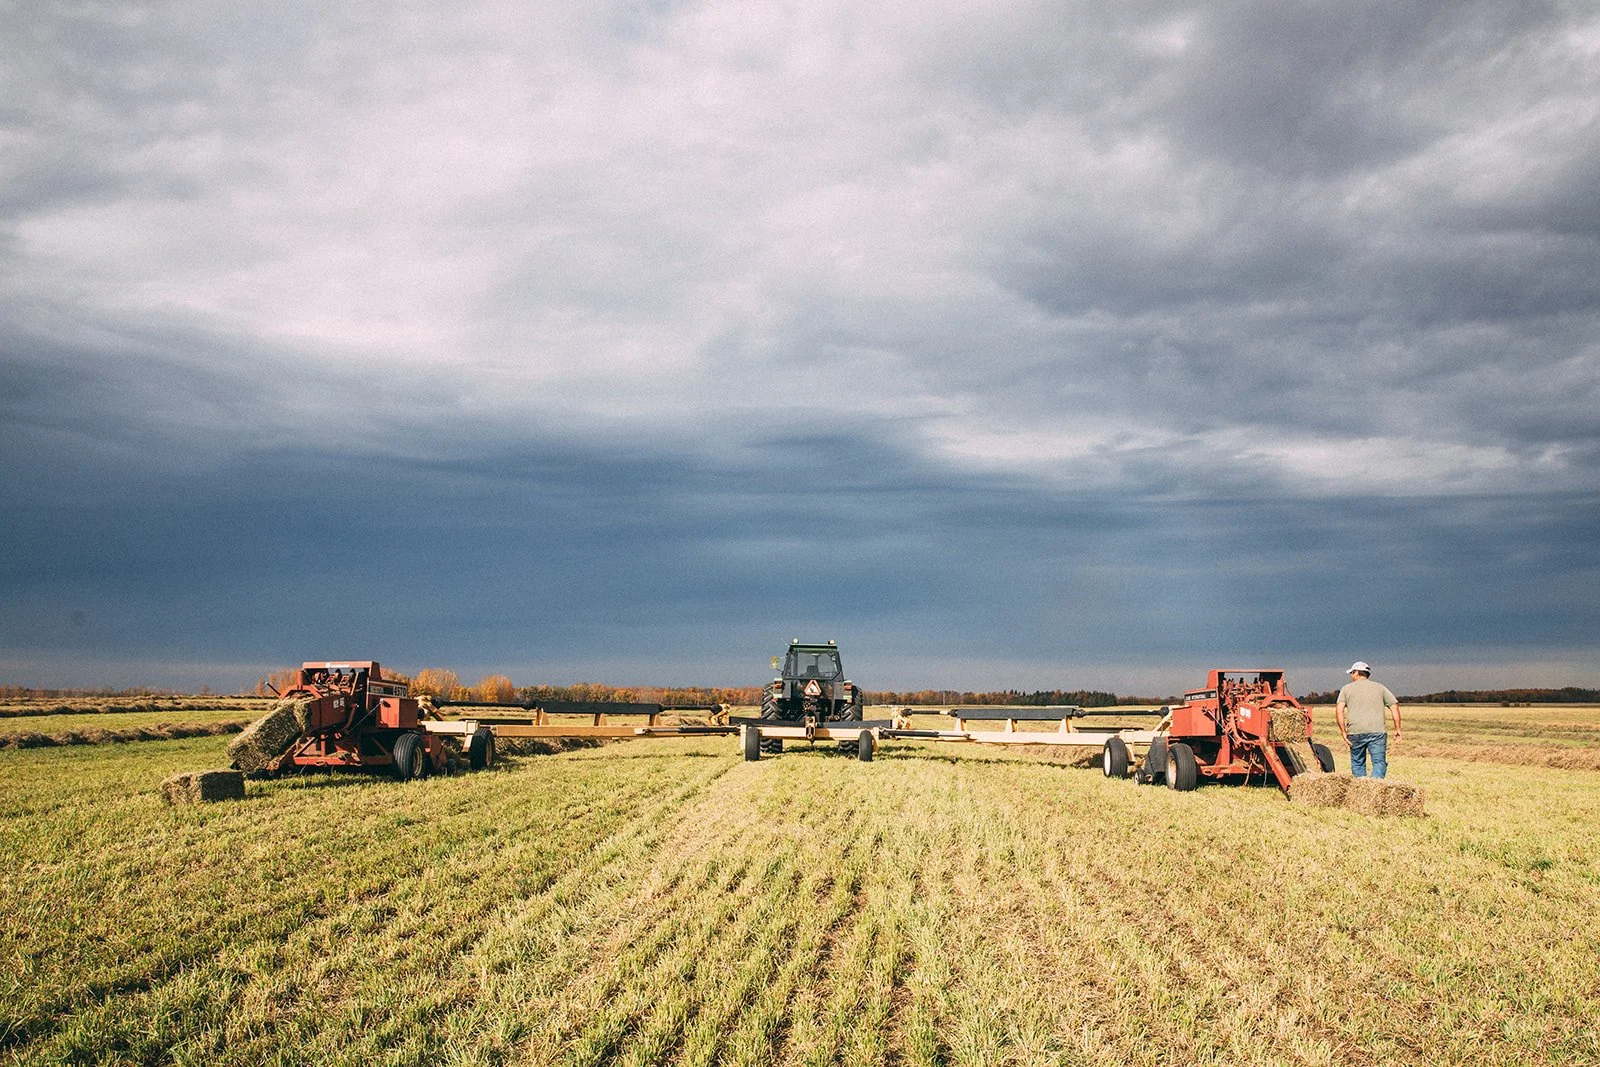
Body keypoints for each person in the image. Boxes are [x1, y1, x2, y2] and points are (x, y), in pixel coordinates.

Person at [1335, 661, 1401, 778]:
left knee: (1358, 763)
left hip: (1355, 732)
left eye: (1352, 673)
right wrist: (1397, 729)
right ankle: (1374, 786)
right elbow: (1394, 707)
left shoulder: (1346, 689)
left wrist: (1343, 731)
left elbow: (1339, 710)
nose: (1351, 676)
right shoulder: (1380, 687)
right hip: (1377, 732)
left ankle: (1361, 787)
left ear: (1356, 673)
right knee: (1379, 762)